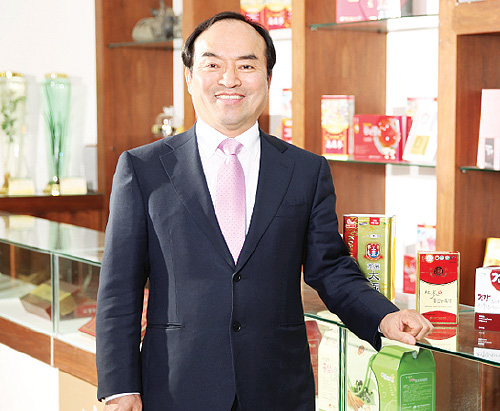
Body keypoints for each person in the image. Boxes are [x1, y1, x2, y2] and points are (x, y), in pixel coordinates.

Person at [96, 11, 433, 411]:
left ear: (268, 79)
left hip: (278, 389)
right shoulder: (143, 168)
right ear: (189, 77)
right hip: (175, 389)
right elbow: (119, 288)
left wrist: (383, 317)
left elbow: (330, 268)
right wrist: (119, 387)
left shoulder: (305, 171)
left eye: (246, 65)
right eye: (212, 65)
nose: (230, 79)